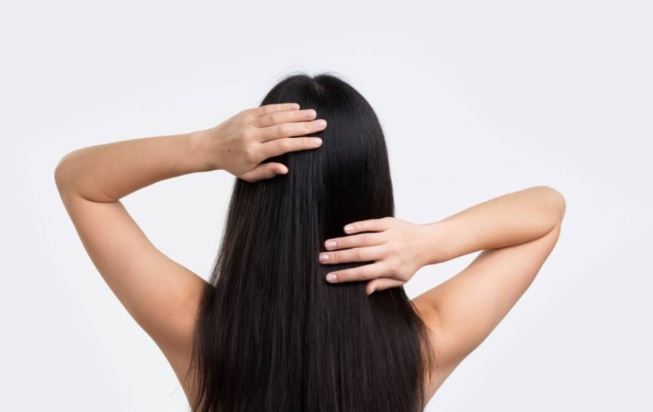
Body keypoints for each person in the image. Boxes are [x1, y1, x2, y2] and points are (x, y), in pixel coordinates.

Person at [54, 73, 566, 411]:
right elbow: (545, 212)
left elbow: (80, 182)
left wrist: (206, 148)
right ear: (372, 190)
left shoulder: (195, 329)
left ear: (254, 201)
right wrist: (431, 243)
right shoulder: (423, 344)